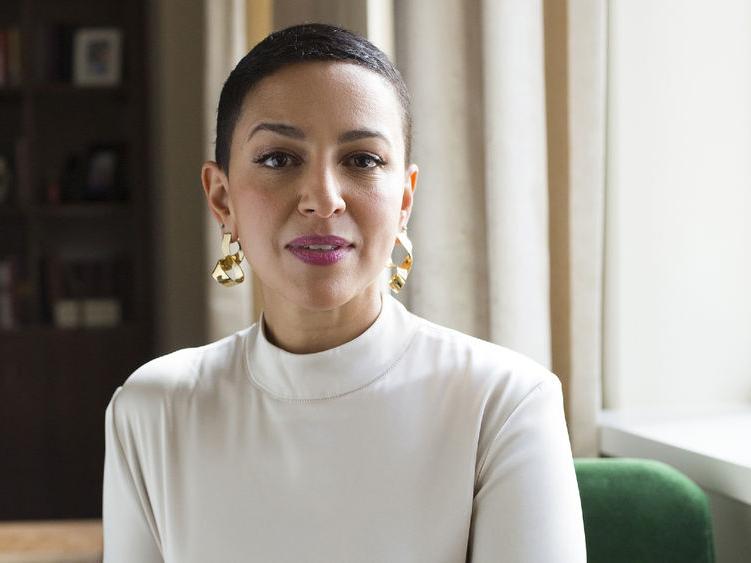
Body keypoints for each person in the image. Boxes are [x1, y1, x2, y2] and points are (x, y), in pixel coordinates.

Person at [102, 23, 586, 563]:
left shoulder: (504, 403)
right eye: (278, 159)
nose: (323, 199)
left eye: (362, 161)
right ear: (222, 198)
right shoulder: (154, 408)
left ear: (404, 199)